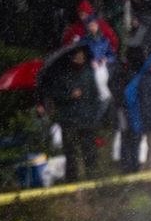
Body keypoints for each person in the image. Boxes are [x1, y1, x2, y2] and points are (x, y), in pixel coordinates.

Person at [42, 46, 106, 181]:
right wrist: (70, 95)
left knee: (89, 150)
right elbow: (55, 96)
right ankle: (72, 179)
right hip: (69, 119)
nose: (80, 59)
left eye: (82, 57)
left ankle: (92, 177)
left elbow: (95, 95)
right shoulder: (62, 75)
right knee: (70, 152)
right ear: (71, 58)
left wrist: (94, 114)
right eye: (77, 57)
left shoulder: (89, 73)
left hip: (87, 119)